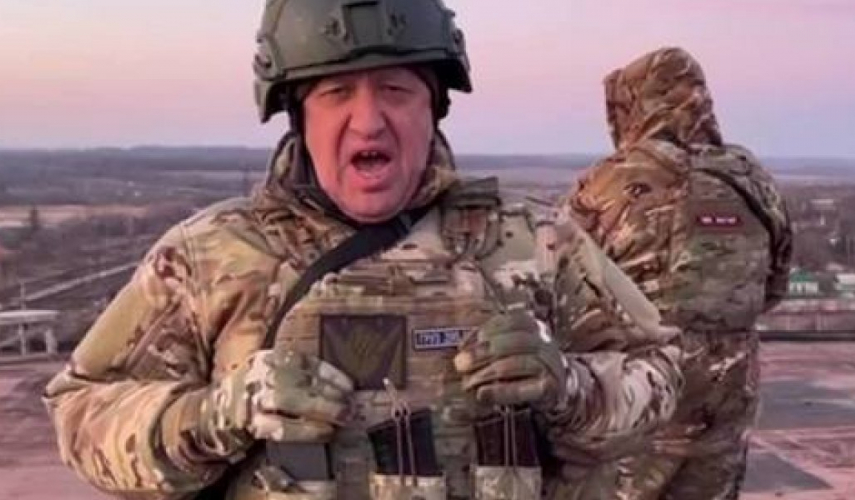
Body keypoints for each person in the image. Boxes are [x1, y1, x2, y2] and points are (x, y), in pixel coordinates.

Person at [43, 2, 684, 499]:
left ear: (434, 108)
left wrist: (568, 386)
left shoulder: (534, 242)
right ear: (299, 116)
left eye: (396, 90)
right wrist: (215, 416)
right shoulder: (211, 258)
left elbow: (659, 372)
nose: (370, 119)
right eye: (337, 93)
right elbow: (81, 415)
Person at [565, 47, 794, 499]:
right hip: (728, 393)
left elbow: (564, 285)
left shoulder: (607, 183)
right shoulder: (752, 180)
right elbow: (775, 285)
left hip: (643, 391)